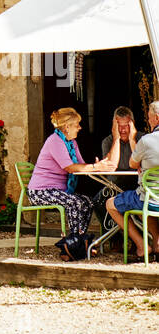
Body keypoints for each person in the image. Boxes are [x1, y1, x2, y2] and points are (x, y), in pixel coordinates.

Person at [28, 106, 113, 260]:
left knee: (87, 202)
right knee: (76, 203)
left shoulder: (71, 143)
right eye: (77, 125)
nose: (80, 128)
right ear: (67, 127)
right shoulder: (54, 141)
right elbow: (70, 167)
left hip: (57, 191)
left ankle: (77, 245)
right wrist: (94, 167)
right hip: (40, 191)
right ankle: (74, 247)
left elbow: (80, 165)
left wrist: (99, 166)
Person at [105, 99, 159, 260]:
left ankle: (142, 245)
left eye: (149, 117)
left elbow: (132, 163)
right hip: (153, 198)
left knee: (110, 204)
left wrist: (133, 140)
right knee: (145, 202)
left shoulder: (146, 140)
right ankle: (157, 242)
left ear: (156, 118)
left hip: (148, 199)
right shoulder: (108, 141)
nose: (148, 121)